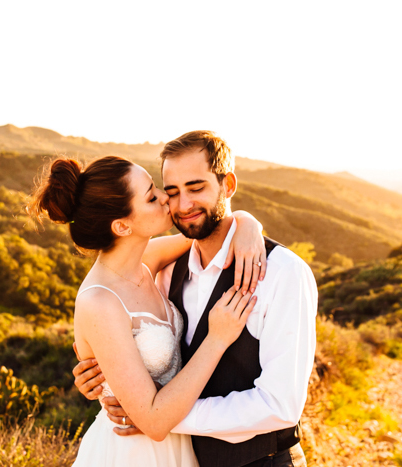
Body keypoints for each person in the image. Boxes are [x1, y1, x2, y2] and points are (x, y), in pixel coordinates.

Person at [73, 131, 318, 467]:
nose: (181, 204)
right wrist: (108, 389)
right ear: (121, 225)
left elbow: (281, 405)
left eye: (196, 187)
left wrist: (247, 222)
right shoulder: (166, 269)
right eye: (170, 192)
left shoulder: (283, 273)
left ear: (228, 185)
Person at [27, 154, 267, 467]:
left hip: (180, 444)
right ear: (122, 226)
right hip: (134, 452)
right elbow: (153, 421)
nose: (167, 199)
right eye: (152, 197)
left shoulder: (145, 261)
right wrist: (218, 338)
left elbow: (211, 230)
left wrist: (249, 224)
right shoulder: (99, 302)